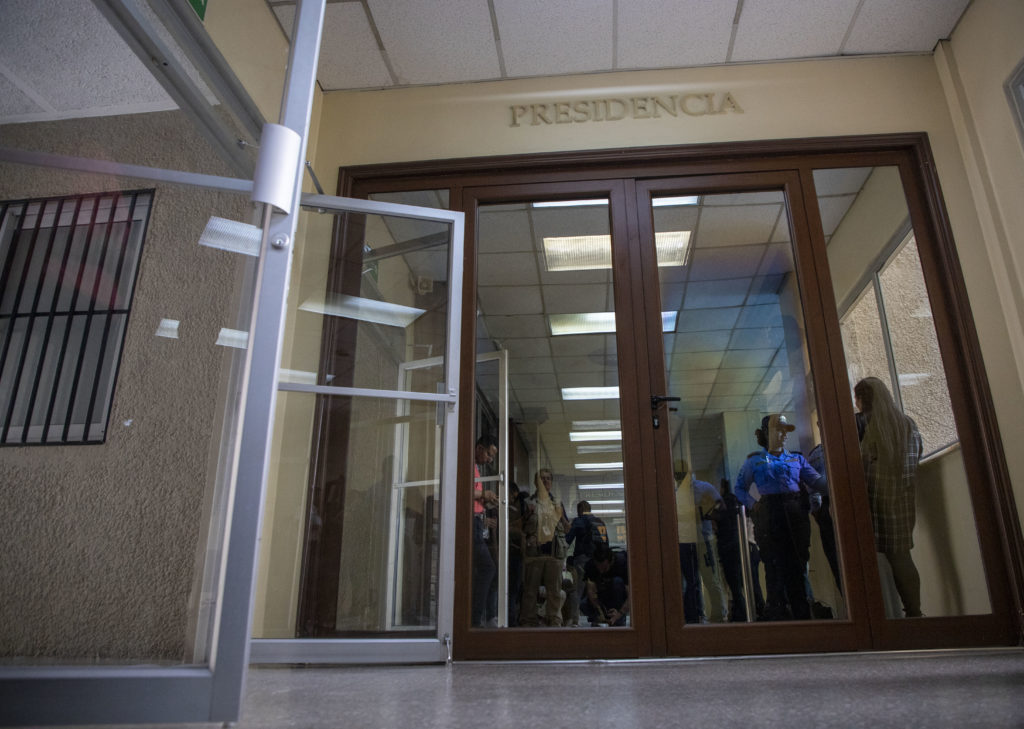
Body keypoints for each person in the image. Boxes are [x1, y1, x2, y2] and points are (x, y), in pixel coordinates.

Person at [735, 414, 826, 621]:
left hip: (795, 514)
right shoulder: (755, 462)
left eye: (786, 430)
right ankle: (778, 617)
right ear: (767, 433)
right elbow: (739, 489)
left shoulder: (797, 459)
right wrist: (754, 505)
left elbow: (818, 482)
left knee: (798, 565)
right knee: (773, 568)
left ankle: (802, 615)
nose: (784, 434)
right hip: (770, 516)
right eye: (779, 430)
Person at [854, 377, 924, 618]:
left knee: (885, 560)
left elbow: (862, 467)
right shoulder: (904, 424)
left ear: (862, 399)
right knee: (901, 558)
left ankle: (896, 614)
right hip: (900, 501)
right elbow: (912, 463)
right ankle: (913, 611)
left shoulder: (870, 425)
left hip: (877, 502)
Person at [519, 468, 569, 626]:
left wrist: (560, 516)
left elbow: (567, 528)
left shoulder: (557, 503)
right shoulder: (528, 503)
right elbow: (517, 527)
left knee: (554, 592)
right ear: (535, 482)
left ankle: (554, 622)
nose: (545, 481)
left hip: (554, 554)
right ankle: (528, 621)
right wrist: (527, 516)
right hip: (534, 555)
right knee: (530, 591)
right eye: (542, 479)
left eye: (548, 479)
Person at [471, 435, 498, 627]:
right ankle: (475, 618)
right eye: (489, 454)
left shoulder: (477, 469)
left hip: (477, 522)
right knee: (488, 568)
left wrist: (485, 500)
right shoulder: (467, 464)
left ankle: (481, 616)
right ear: (480, 448)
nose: (490, 459)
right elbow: (463, 489)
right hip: (470, 523)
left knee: (484, 569)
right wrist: (483, 494)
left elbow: (473, 495)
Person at [673, 460, 703, 624]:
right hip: (685, 541)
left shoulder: (692, 490)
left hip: (689, 540)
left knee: (692, 580)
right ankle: (691, 614)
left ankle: (693, 614)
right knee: (690, 580)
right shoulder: (681, 492)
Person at [582, 543, 630, 626]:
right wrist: (599, 610)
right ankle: (600, 619)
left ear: (610, 562)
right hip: (602, 595)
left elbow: (631, 596)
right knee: (583, 604)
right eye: (598, 566)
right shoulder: (591, 565)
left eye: (604, 567)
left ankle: (617, 621)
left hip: (618, 597)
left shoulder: (622, 564)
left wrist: (619, 614)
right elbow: (591, 591)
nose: (600, 571)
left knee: (617, 582)